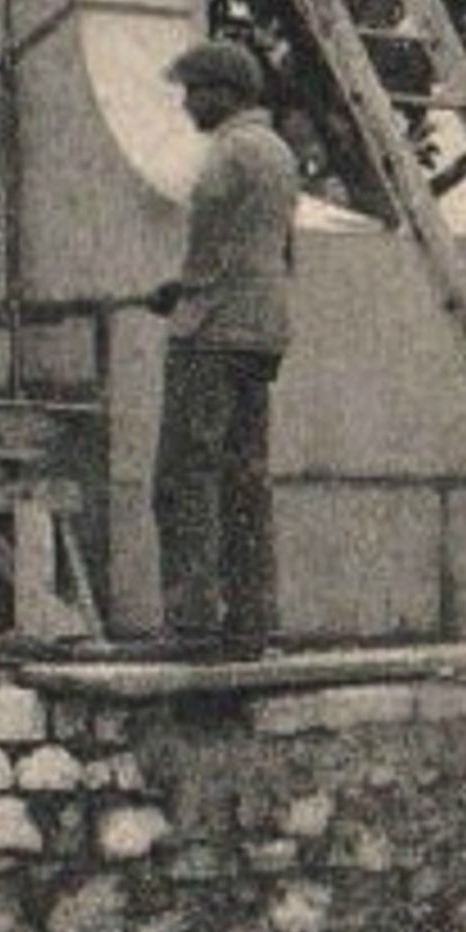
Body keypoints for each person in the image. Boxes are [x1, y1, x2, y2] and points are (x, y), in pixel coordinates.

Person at [147, 38, 301, 656]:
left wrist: (180, 293)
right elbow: (266, 249)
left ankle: (191, 625)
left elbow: (209, 253)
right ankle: (250, 623)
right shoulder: (278, 152)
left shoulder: (227, 155)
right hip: (261, 332)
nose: (187, 104)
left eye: (194, 91)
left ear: (224, 93)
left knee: (185, 479)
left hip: (210, 333)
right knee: (246, 483)